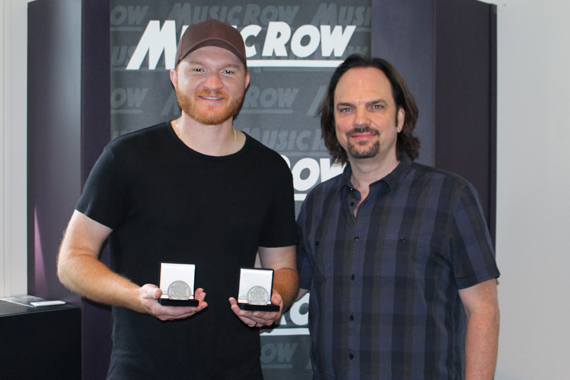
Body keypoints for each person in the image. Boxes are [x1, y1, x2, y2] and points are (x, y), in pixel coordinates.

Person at [57, 18, 299, 379]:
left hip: (238, 371)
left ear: (245, 82)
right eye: (198, 69)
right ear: (175, 77)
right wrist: (136, 297)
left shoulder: (271, 169)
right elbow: (72, 260)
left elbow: (285, 269)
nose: (213, 83)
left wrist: (276, 299)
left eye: (228, 71)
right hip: (141, 370)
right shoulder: (126, 157)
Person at [296, 54, 500, 379]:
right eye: (346, 109)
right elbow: (290, 284)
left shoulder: (451, 196)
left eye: (375, 106)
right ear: (333, 123)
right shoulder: (317, 204)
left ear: (399, 118)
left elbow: (483, 309)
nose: (360, 120)